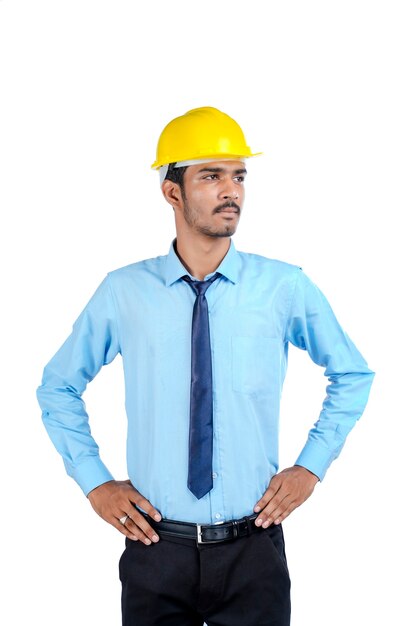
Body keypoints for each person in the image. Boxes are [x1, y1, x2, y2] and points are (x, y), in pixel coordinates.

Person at [36, 106, 375, 626]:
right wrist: (95, 481)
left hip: (253, 552)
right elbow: (58, 387)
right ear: (172, 192)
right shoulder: (124, 292)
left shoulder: (284, 287)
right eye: (211, 176)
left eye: (238, 176)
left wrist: (311, 466)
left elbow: (352, 374)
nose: (231, 191)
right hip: (155, 550)